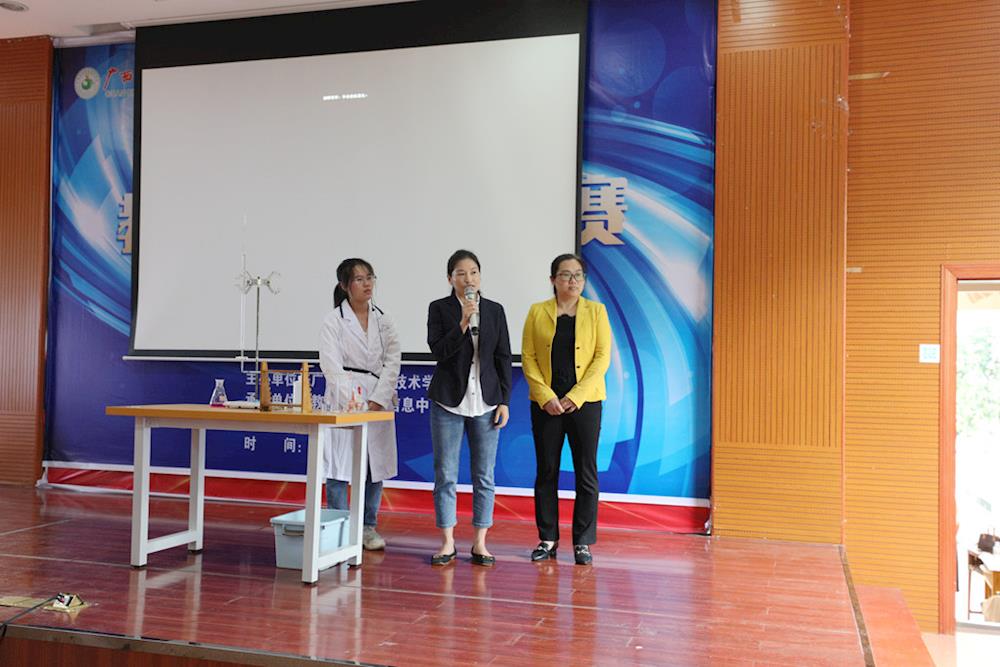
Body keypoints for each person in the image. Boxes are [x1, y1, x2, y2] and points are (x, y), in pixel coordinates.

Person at [521, 253, 611, 565]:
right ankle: (547, 538)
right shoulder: (537, 312)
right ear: (553, 280)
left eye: (578, 275)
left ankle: (583, 542)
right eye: (565, 275)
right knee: (546, 471)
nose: (572, 281)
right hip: (546, 405)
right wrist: (546, 396)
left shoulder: (597, 312)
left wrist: (576, 396)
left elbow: (602, 357)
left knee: (586, 472)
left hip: (585, 404)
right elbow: (528, 357)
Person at [426, 249, 512, 566]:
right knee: (446, 474)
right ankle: (447, 542)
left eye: (473, 272)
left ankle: (480, 543)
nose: (468, 279)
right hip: (448, 401)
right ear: (450, 278)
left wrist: (504, 401)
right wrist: (462, 322)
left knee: (484, 475)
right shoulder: (439, 308)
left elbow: (503, 357)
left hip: (486, 401)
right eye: (461, 273)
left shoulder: (494, 310)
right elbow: (439, 351)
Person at [319, 258, 401, 551]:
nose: (367, 284)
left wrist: (378, 398)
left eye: (370, 278)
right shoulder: (333, 321)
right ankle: (339, 528)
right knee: (339, 467)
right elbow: (331, 366)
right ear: (344, 285)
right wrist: (353, 400)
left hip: (378, 396)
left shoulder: (384, 320)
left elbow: (393, 360)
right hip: (344, 400)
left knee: (373, 465)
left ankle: (367, 527)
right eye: (359, 279)